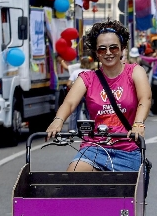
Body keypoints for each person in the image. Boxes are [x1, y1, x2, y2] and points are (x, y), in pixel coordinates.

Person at [45, 20, 151, 172]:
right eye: (102, 49)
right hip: (94, 148)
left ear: (122, 49)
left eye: (113, 47)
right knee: (74, 174)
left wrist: (138, 124)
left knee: (128, 187)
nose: (108, 52)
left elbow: (145, 98)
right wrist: (58, 120)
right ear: (96, 53)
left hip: (128, 149)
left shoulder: (135, 71)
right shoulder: (87, 78)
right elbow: (69, 103)